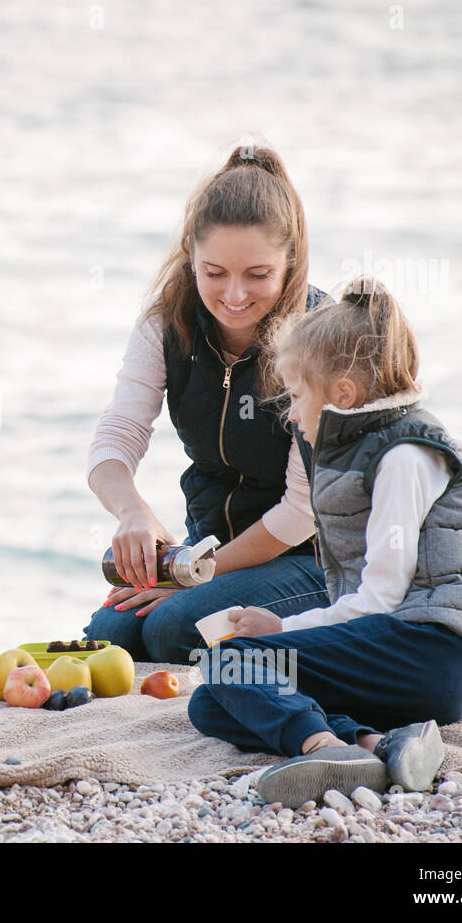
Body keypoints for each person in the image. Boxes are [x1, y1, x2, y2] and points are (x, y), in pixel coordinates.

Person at [187, 275, 462, 806]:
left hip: (433, 651)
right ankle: (377, 743)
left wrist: (282, 627)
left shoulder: (404, 455)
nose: (290, 414)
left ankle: (322, 748)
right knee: (212, 702)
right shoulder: (370, 444)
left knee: (233, 661)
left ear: (342, 394)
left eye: (294, 396)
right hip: (408, 657)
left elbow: (380, 598)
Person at [85, 141, 330, 664]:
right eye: (214, 272)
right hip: (209, 545)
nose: (234, 295)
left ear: (291, 263)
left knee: (172, 628)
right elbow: (116, 437)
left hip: (314, 560)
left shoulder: (319, 340)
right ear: (190, 257)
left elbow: (301, 512)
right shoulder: (165, 323)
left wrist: (200, 577)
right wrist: (134, 512)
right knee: (111, 634)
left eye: (258, 275)